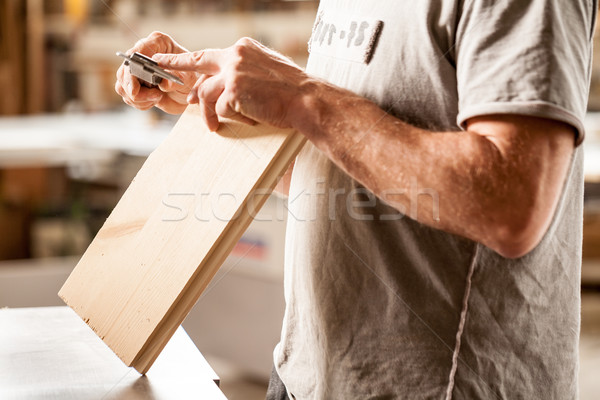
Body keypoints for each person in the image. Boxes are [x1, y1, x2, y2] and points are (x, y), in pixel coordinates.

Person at [115, 1, 596, 398]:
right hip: (306, 374)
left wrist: (301, 96)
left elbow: (511, 206)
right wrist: (220, 101)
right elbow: (343, 162)